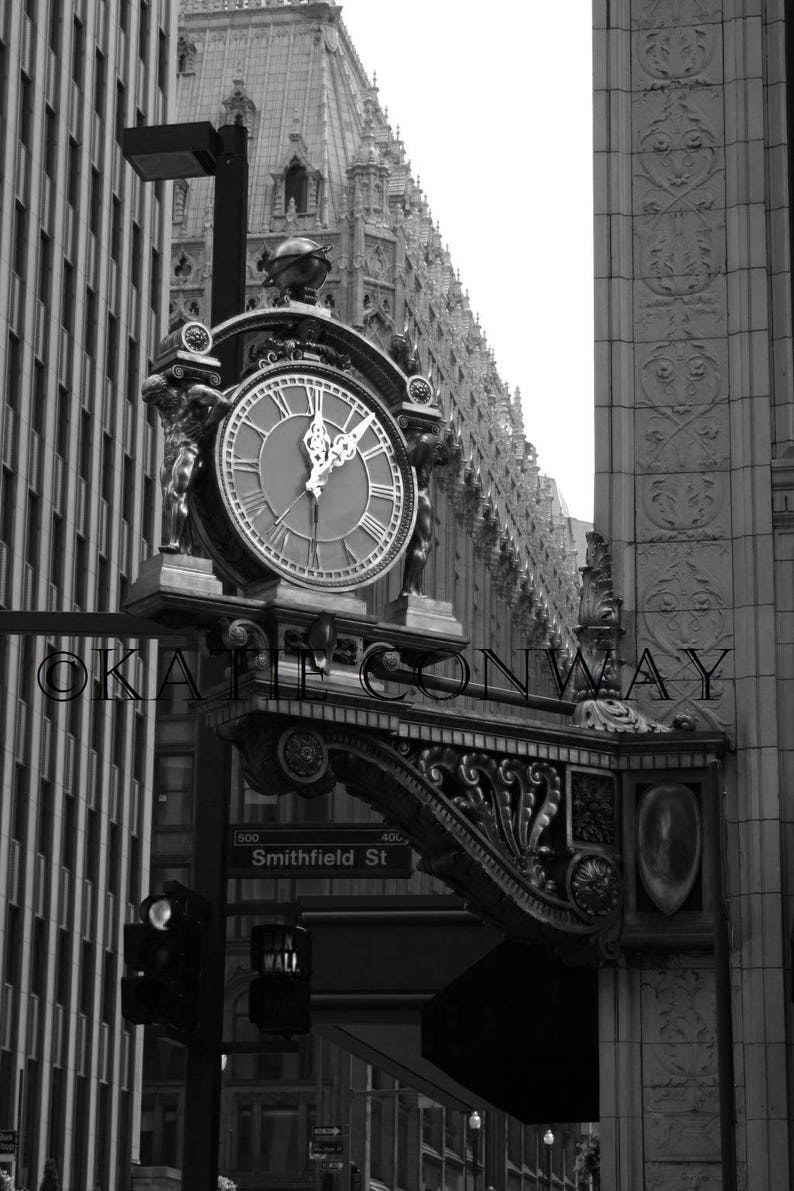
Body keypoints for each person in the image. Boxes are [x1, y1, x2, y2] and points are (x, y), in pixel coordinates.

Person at [142, 372, 231, 553]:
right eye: (154, 403)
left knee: (177, 493)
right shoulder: (164, 409)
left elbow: (223, 403)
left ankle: (174, 542)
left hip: (188, 448)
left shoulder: (193, 393)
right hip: (170, 454)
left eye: (158, 400)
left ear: (165, 390)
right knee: (168, 499)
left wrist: (204, 427)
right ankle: (185, 546)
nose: (158, 405)